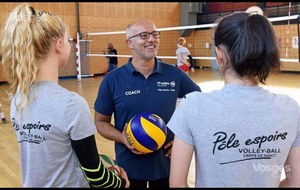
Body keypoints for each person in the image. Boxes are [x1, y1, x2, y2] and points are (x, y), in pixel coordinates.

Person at [1, 3, 129, 188]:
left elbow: (52, 155)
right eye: (67, 39)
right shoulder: (71, 104)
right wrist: (120, 182)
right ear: (59, 45)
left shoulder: (18, 98)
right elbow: (96, 176)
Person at [168, 12, 300, 187]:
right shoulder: (290, 109)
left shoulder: (192, 106)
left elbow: (177, 184)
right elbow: (295, 181)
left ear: (219, 54)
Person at [94, 19, 201, 188]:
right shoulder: (113, 80)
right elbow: (100, 122)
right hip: (129, 170)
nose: (151, 39)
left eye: (155, 34)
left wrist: (185, 139)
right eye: (144, 35)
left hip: (167, 168)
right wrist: (122, 137)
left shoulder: (174, 75)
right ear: (129, 43)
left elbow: (200, 104)